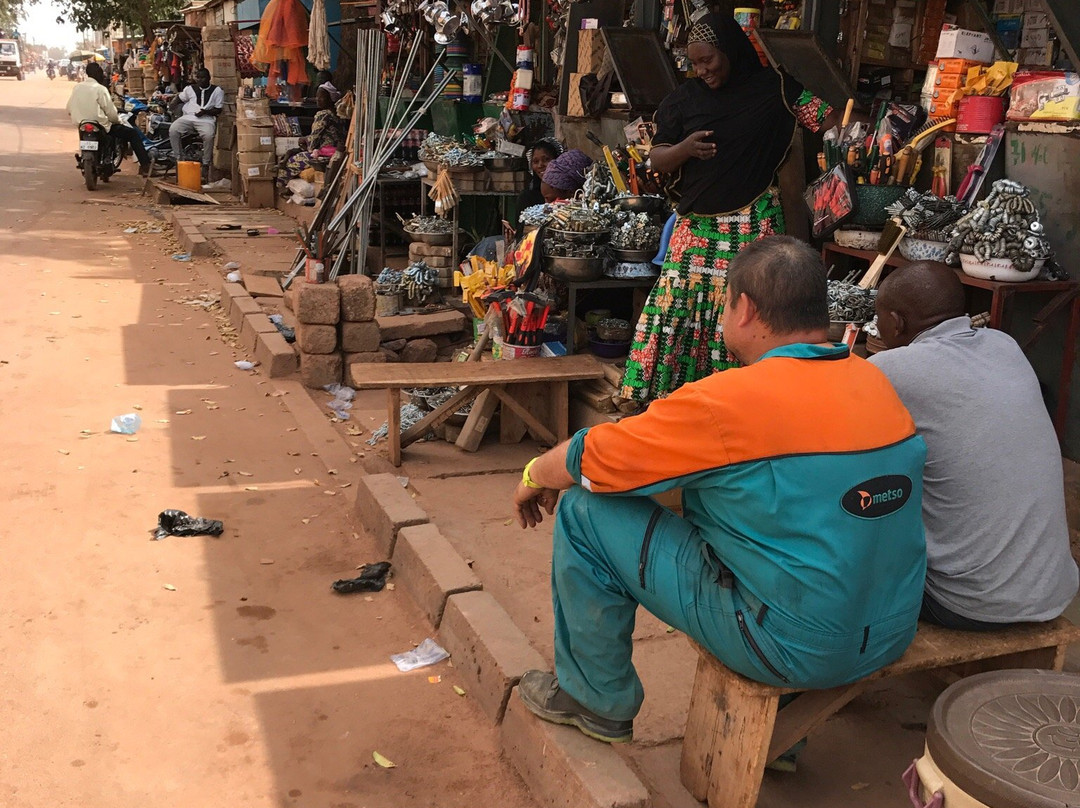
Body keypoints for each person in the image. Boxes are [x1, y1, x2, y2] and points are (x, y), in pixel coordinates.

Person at [511, 236, 927, 744]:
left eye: (726, 305)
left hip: (791, 646)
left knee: (582, 509)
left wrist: (534, 474)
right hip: (891, 631)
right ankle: (783, 741)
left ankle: (594, 699)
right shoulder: (876, 382)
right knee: (785, 529)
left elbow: (592, 456)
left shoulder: (728, 401)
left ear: (745, 309)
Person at [621, 13, 839, 403]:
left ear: (732, 52)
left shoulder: (776, 88)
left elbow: (827, 121)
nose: (702, 70)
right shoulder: (683, 101)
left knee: (750, 309)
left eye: (709, 61)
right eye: (695, 63)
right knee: (675, 305)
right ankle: (674, 402)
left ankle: (745, 402)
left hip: (755, 223)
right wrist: (684, 149)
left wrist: (859, 134)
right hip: (697, 229)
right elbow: (656, 159)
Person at [869, 262, 1078, 630]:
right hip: (1052, 590)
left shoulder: (892, 368)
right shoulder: (1004, 345)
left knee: (857, 504)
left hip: (966, 603)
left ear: (897, 323)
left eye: (879, 319)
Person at [67, 62, 150, 176]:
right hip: (100, 125)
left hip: (81, 124)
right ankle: (146, 167)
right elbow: (110, 112)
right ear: (99, 75)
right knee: (132, 134)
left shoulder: (77, 87)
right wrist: (117, 121)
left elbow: (69, 108)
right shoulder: (100, 89)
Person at [277, 87, 345, 188]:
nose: (317, 99)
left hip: (324, 155)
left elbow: (313, 140)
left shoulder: (323, 115)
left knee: (291, 162)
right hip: (336, 152)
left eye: (321, 97)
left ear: (330, 99)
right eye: (317, 97)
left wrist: (304, 140)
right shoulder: (339, 115)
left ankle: (281, 189)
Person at [170, 68, 224, 178]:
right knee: (173, 129)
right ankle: (179, 159)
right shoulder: (190, 89)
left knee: (209, 136)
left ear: (209, 78)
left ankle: (205, 163)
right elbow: (179, 98)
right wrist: (172, 106)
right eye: (198, 77)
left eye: (203, 77)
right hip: (189, 117)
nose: (200, 80)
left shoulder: (217, 90)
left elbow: (218, 109)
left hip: (206, 119)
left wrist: (206, 112)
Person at [518, 138, 563, 212]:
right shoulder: (527, 198)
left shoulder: (566, 192)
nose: (540, 165)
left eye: (546, 159)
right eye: (535, 161)